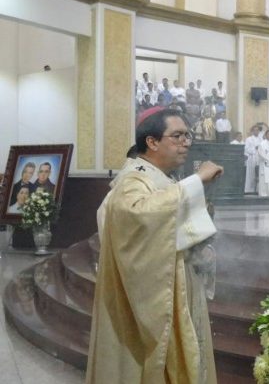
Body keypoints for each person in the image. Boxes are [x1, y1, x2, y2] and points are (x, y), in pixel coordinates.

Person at [86, 107, 223, 384]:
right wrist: (196, 182)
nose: (186, 142)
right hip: (152, 295)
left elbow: (175, 227)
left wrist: (202, 247)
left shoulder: (162, 178)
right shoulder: (133, 180)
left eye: (188, 135)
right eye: (177, 136)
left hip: (178, 285)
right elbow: (138, 217)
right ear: (152, 142)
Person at [244, 126, 261, 193]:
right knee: (250, 175)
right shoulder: (249, 139)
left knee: (258, 174)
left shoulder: (261, 139)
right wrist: (255, 148)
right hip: (252, 158)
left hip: (259, 158)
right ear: (252, 131)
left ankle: (257, 189)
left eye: (257, 130)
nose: (256, 132)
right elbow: (246, 148)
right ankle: (249, 190)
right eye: (255, 130)